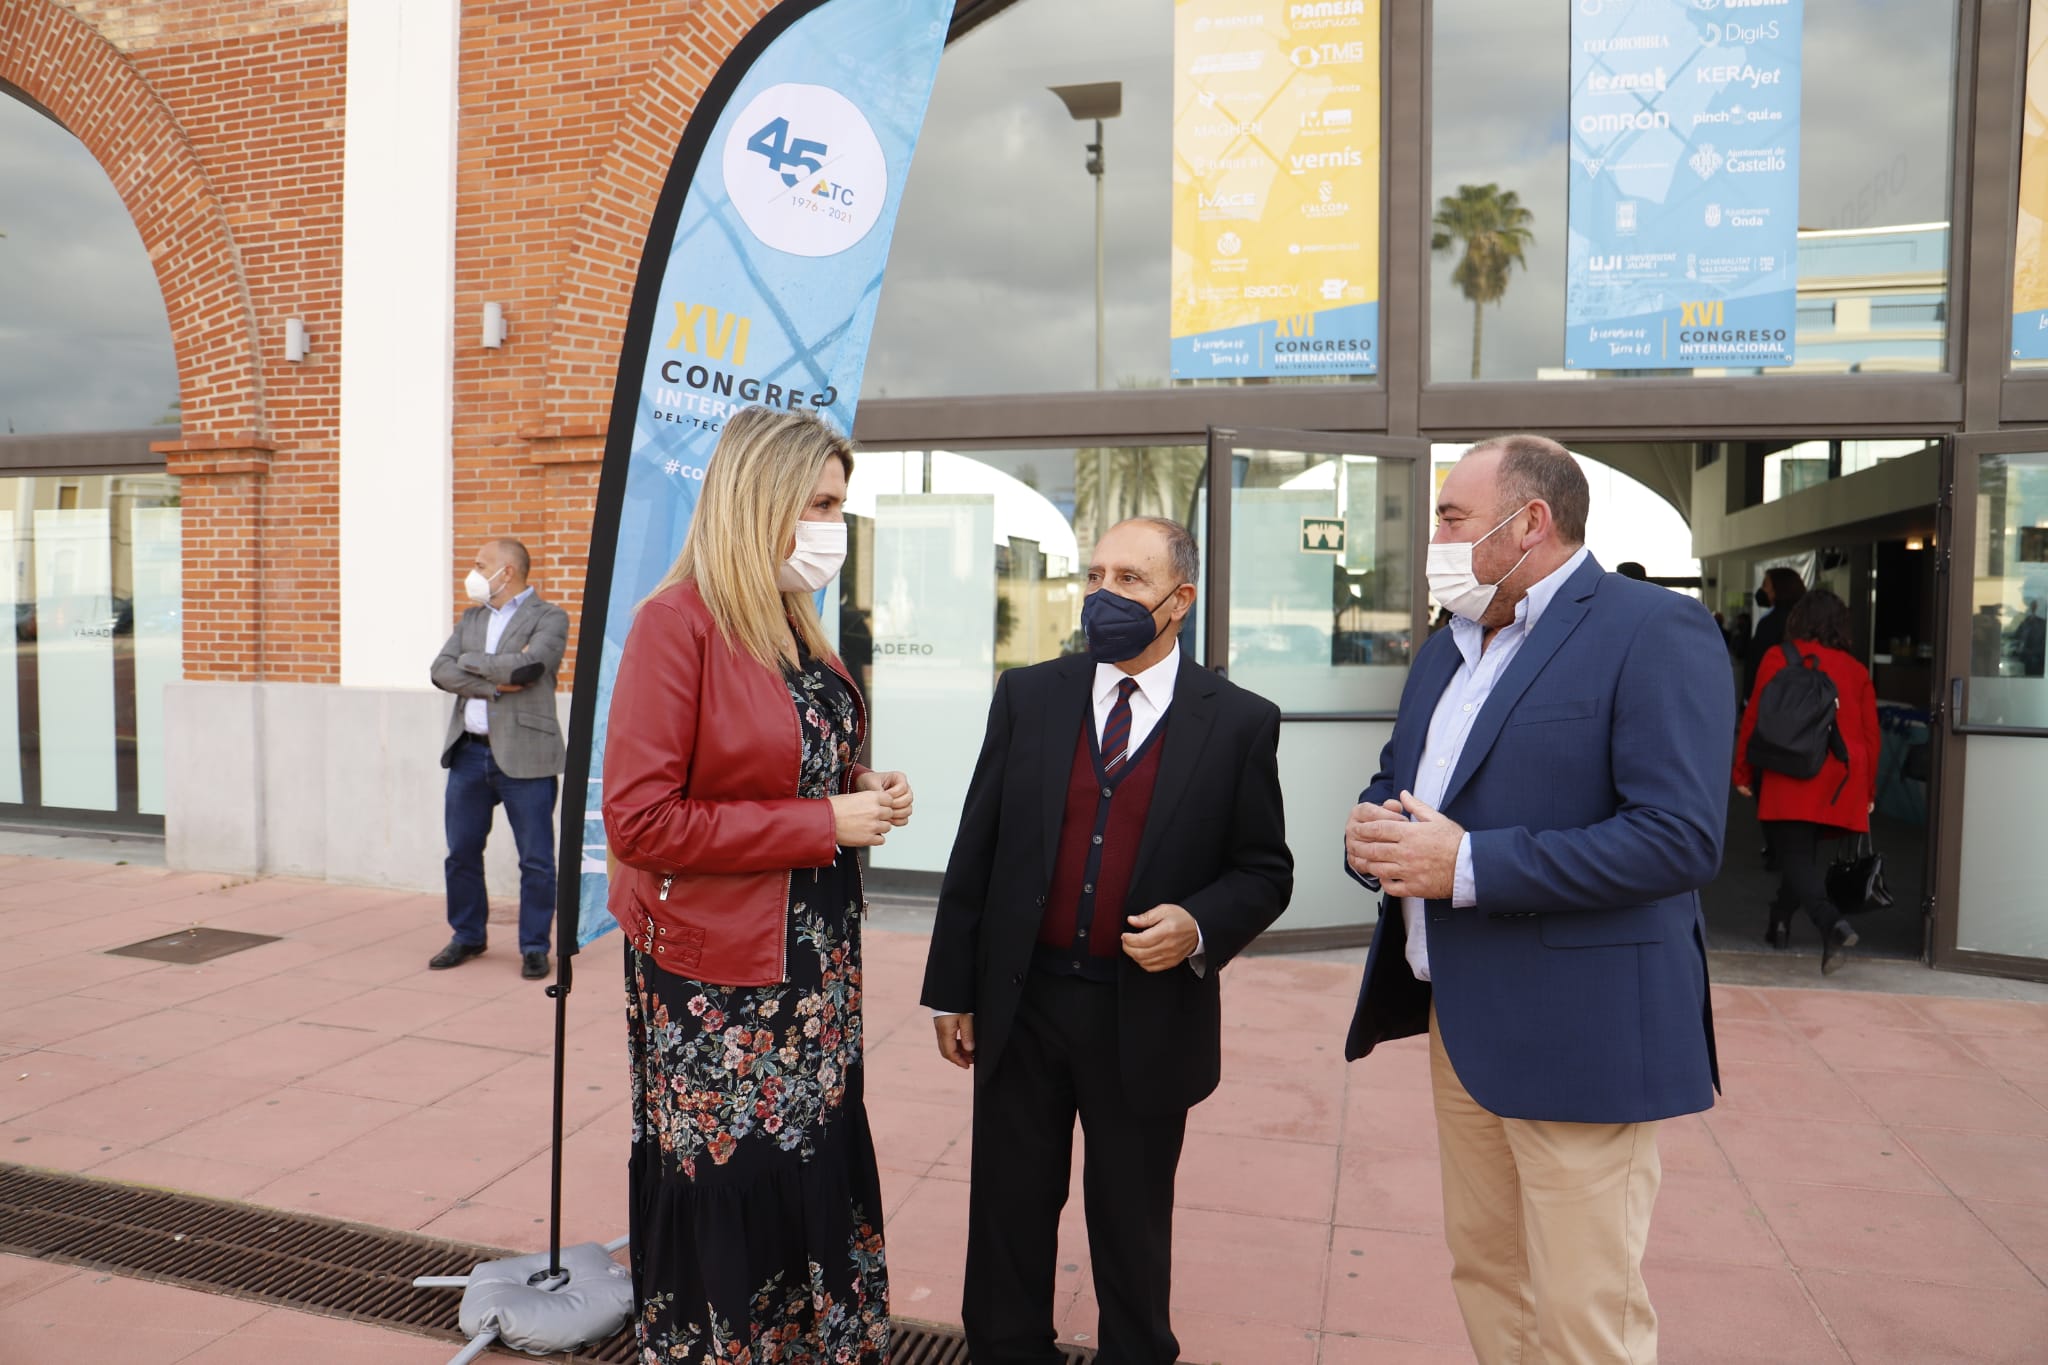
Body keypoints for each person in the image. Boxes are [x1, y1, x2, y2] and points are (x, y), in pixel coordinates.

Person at [1343, 435, 1731, 1365]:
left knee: (1581, 1309)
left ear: (1530, 523)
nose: (1434, 538)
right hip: (1461, 1028)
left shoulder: (1650, 629)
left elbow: (1679, 836)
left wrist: (1467, 864)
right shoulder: (1448, 648)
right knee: (1487, 1275)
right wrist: (1372, 840)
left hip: (1582, 1037)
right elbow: (1406, 783)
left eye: (1451, 518)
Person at [922, 516, 1292, 1365]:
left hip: (1147, 1013)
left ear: (1179, 600)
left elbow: (1265, 870)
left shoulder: (1237, 722)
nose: (1104, 595)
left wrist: (1199, 924)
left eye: (1129, 578)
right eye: (1095, 574)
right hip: (1025, 1000)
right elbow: (976, 849)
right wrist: (952, 989)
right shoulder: (1029, 695)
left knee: (1130, 1217)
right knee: (1010, 1206)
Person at [602, 406, 913, 1365]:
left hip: (814, 961)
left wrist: (860, 785)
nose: (835, 523)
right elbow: (641, 821)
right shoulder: (676, 624)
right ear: (762, 499)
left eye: (841, 502)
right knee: (734, 1176)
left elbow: (789, 763)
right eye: (820, 501)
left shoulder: (794, 623)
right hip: (719, 980)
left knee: (813, 1159)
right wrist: (821, 824)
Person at [428, 537, 569, 980]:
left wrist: (473, 664)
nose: (472, 572)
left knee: (536, 859)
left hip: (526, 756)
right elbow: (440, 669)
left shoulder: (550, 617)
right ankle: (467, 935)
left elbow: (530, 669)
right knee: (462, 852)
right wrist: (491, 681)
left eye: (479, 564)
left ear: (506, 572)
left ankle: (533, 946)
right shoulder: (470, 618)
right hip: (469, 753)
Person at [1732, 589, 1880, 973]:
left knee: (1794, 855)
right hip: (1843, 773)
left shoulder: (1778, 657)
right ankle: (1778, 922)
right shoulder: (1856, 669)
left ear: (1798, 620)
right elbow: (1870, 734)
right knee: (1802, 855)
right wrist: (1868, 790)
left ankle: (1830, 923)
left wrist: (1742, 769)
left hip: (1792, 766)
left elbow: (1755, 717)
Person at [1743, 566, 1807, 701]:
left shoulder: (1770, 623)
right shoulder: (1807, 619)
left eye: (1765, 585)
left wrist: (1747, 698)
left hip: (1772, 698)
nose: (1762, 590)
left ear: (1779, 589)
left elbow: (1756, 664)